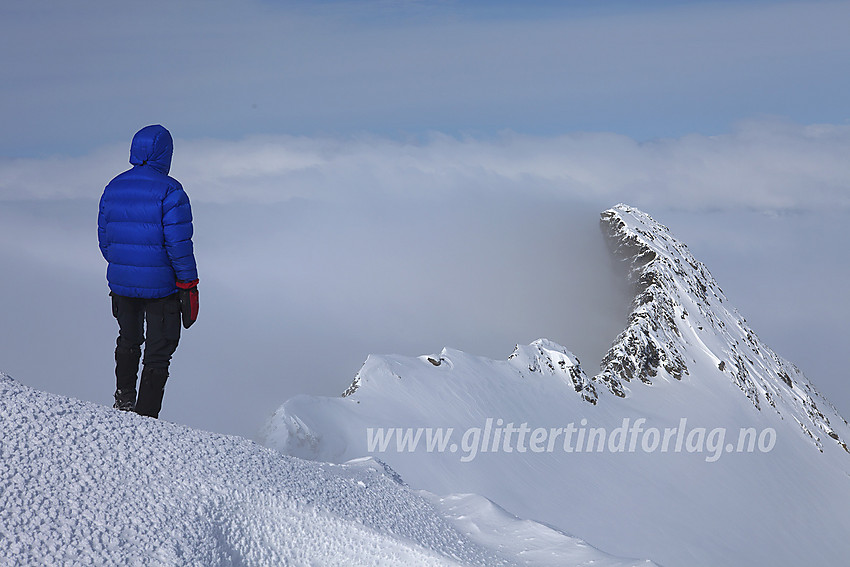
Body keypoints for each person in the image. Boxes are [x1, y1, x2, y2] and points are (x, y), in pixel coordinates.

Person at [97, 124, 199, 418]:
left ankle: (123, 399)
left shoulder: (113, 187)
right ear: (165, 153)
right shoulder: (171, 191)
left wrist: (123, 267)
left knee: (128, 339)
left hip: (121, 284)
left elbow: (106, 241)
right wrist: (188, 284)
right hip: (162, 289)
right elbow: (179, 246)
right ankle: (146, 417)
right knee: (159, 352)